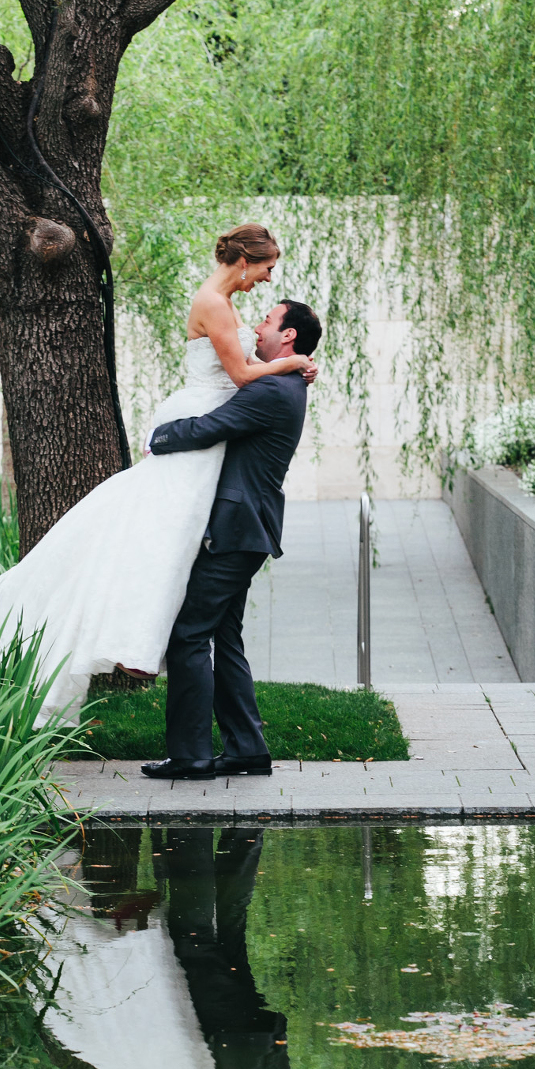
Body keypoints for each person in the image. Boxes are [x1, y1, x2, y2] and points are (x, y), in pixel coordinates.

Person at [0, 223, 316, 727]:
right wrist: (292, 362)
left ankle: (146, 647)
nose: (266, 281)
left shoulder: (226, 305)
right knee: (161, 537)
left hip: (212, 427)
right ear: (245, 261)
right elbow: (245, 375)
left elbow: (243, 366)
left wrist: (295, 366)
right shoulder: (214, 303)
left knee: (174, 543)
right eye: (267, 270)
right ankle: (135, 643)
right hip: (200, 424)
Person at [140, 298, 322, 782]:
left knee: (189, 635)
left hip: (234, 531)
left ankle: (190, 755)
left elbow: (209, 429)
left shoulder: (271, 391)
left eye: (267, 320)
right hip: (248, 530)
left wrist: (157, 436)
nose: (257, 326)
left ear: (288, 337)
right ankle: (245, 749)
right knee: (224, 635)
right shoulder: (285, 382)